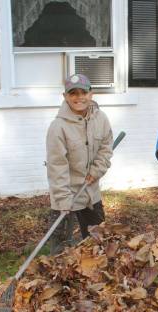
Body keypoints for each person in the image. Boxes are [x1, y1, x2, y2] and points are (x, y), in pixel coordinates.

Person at [46, 73, 113, 254]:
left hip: (91, 194)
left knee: (98, 243)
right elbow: (56, 166)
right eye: (73, 93)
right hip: (66, 196)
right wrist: (63, 200)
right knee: (62, 251)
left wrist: (97, 170)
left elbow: (106, 148)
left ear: (91, 94)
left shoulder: (101, 119)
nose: (79, 97)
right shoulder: (58, 127)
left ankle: (96, 276)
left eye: (83, 92)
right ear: (65, 97)